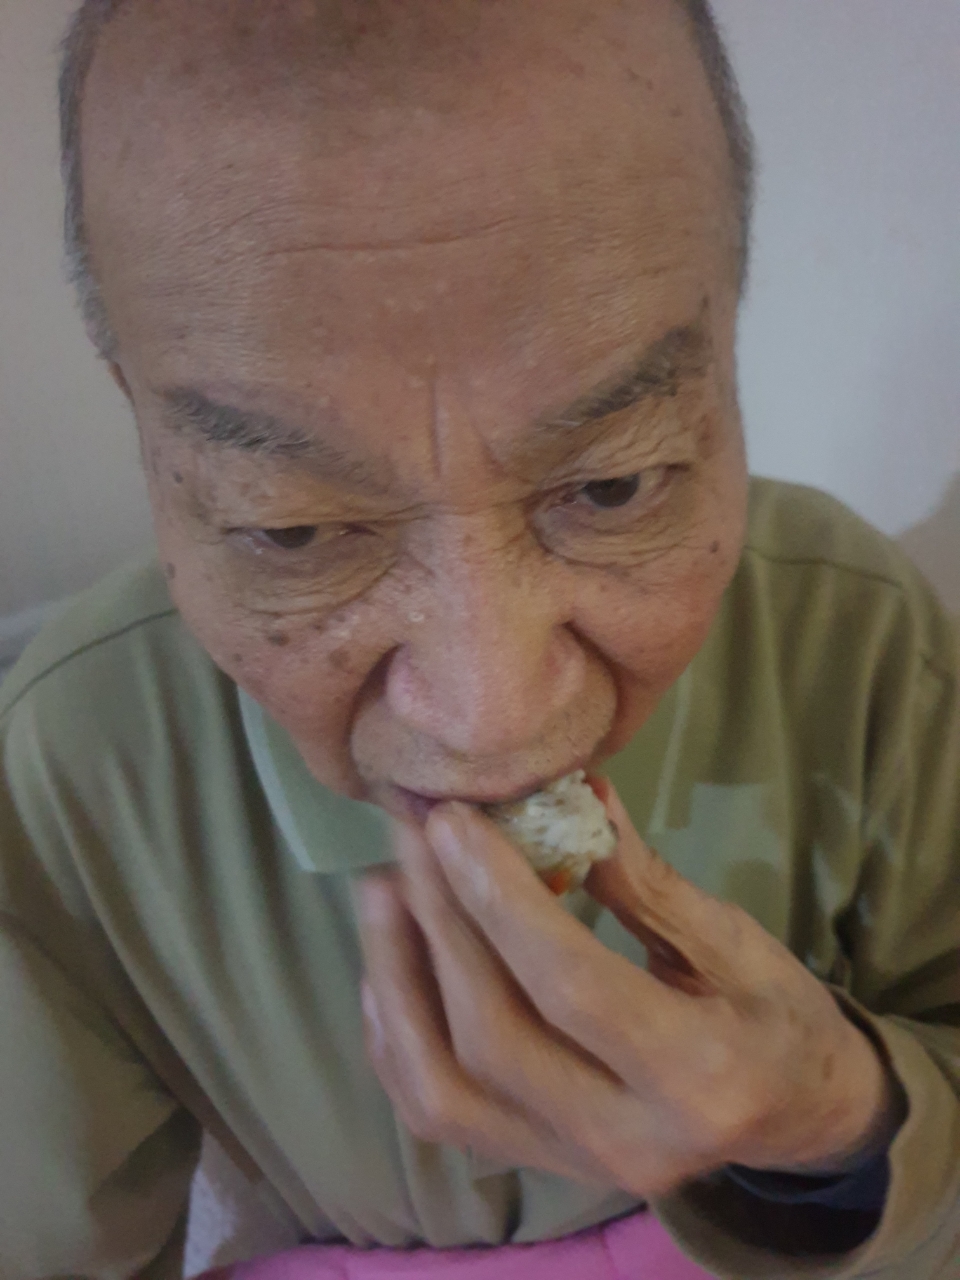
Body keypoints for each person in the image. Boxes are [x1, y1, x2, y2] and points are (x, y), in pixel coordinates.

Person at [1, 1, 958, 1277]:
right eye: (291, 528)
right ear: (143, 429)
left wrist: (840, 1115)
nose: (491, 711)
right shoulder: (65, 778)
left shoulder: (865, 639)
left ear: (731, 350)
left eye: (615, 483)